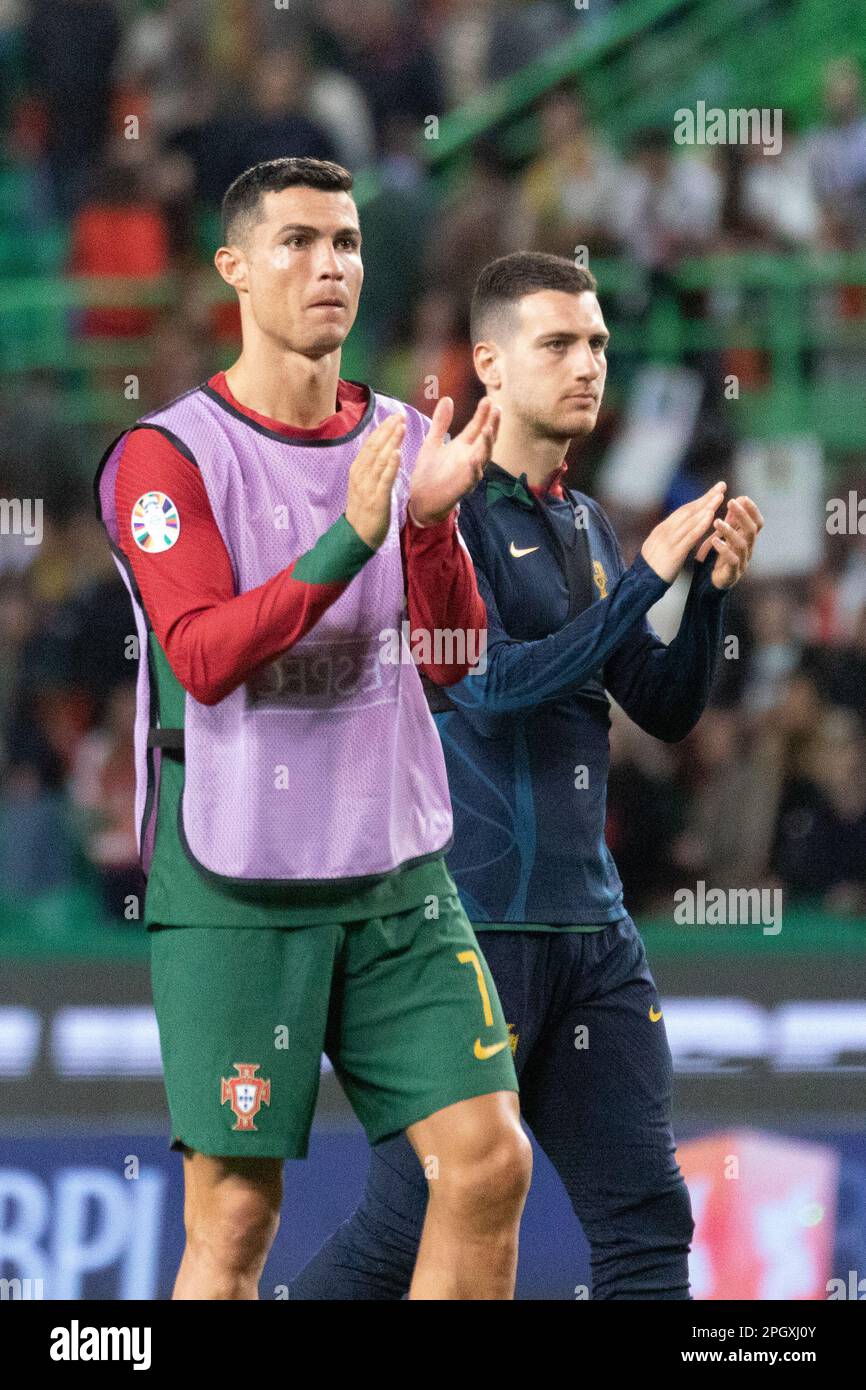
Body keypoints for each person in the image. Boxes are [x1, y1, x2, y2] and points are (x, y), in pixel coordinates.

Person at [94, 159, 532, 1300]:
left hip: (392, 871)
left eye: (342, 241)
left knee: (485, 1164)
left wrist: (429, 527)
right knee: (234, 1220)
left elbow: (451, 666)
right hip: (238, 880)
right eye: (294, 242)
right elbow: (205, 653)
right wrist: (352, 535)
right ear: (233, 268)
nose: (327, 264)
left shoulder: (400, 435)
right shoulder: (166, 457)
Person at [290, 251, 763, 1300]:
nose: (587, 363)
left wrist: (703, 595)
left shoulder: (585, 522)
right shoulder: (439, 513)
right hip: (468, 933)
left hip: (590, 936)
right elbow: (490, 688)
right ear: (491, 367)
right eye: (557, 343)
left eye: (595, 342)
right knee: (405, 1227)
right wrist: (642, 582)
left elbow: (661, 705)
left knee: (646, 1223)